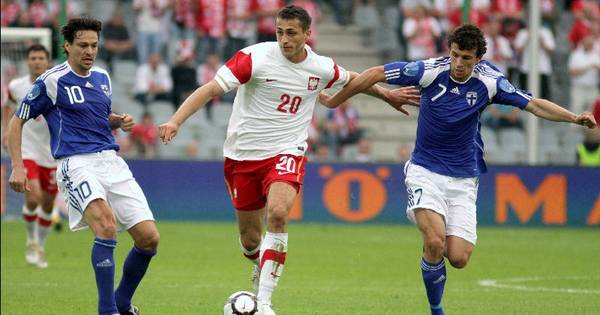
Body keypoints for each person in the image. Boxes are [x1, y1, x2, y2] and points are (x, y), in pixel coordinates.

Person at [158, 6, 419, 314]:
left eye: (291, 33)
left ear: (308, 34)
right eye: (280, 32)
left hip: (286, 151)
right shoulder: (254, 58)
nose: (284, 39)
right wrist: (176, 120)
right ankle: (260, 262)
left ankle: (265, 304)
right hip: (242, 157)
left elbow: (356, 79)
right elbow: (210, 89)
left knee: (279, 214)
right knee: (250, 239)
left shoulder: (320, 67)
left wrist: (387, 95)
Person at [321, 24, 597, 315]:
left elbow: (533, 105)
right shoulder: (429, 70)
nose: (459, 63)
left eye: (466, 58)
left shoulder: (490, 82)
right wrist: (336, 101)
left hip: (464, 178)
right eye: (455, 55)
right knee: (435, 241)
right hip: (424, 170)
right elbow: (376, 73)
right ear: (449, 51)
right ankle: (436, 309)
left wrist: (574, 118)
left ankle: (433, 255)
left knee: (459, 257)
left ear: (478, 59)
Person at [6, 16, 160, 315]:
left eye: (94, 45)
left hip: (111, 162)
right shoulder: (51, 80)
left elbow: (97, 119)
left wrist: (118, 120)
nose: (89, 51)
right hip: (75, 163)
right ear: (67, 46)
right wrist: (17, 165)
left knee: (149, 238)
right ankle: (107, 311)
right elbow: (16, 121)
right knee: (106, 225)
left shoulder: (103, 77)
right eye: (82, 45)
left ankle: (122, 303)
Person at [1, 44, 56, 268]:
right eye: (32, 58)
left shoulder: (55, 85)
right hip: (27, 150)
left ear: (47, 61)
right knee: (33, 198)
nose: (36, 61)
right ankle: (31, 241)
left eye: (41, 58)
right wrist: (6, 131)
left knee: (49, 205)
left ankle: (40, 245)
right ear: (27, 61)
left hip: (52, 152)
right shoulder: (16, 86)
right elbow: (8, 108)